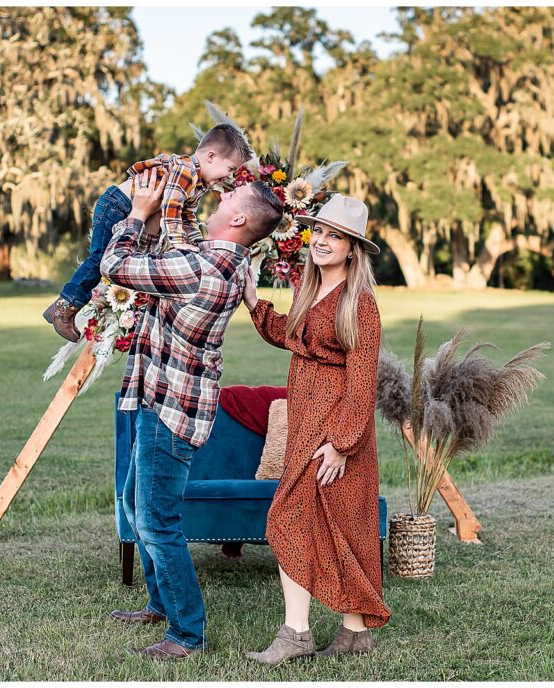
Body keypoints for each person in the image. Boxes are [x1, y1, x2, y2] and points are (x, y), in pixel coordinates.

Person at [101, 168, 283, 660]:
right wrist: (184, 183)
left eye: (231, 195)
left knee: (158, 521)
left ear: (240, 216)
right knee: (137, 505)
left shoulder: (199, 269)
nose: (223, 197)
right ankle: (161, 603)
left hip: (169, 414)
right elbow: (183, 234)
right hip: (162, 400)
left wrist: (137, 214)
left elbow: (115, 264)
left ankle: (186, 633)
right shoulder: (219, 261)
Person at [242, 193, 392, 665]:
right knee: (331, 525)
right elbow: (290, 333)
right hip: (307, 422)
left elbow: (363, 377)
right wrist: (252, 300)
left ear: (353, 248)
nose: (323, 241)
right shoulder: (311, 291)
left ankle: (297, 634)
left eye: (336, 236)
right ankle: (353, 633)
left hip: (336, 431)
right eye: (320, 232)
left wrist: (343, 445)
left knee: (294, 519)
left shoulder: (359, 303)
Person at [43, 124, 253, 341]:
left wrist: (197, 244)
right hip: (117, 205)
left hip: (127, 207)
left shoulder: (197, 183)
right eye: (230, 169)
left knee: (116, 258)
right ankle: (63, 308)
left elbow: (186, 216)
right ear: (211, 156)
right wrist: (179, 241)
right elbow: (171, 208)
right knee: (100, 259)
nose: (228, 177)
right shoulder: (185, 171)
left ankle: (63, 307)